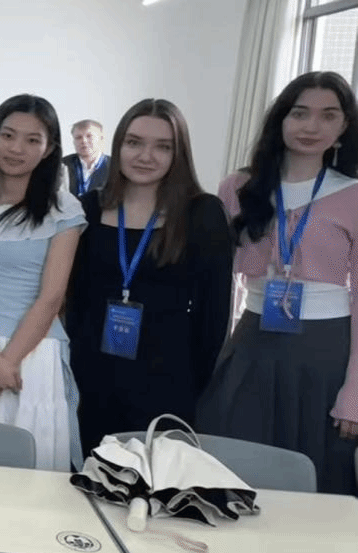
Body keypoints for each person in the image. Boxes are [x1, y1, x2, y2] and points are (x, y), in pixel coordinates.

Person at [198, 72, 358, 495]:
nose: (311, 126)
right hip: (252, 338)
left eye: (328, 116)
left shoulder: (353, 194)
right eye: (300, 113)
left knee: (314, 473)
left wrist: (355, 392)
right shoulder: (238, 188)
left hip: (325, 348)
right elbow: (220, 279)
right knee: (233, 463)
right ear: (281, 119)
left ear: (345, 126)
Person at [67, 100, 233, 455]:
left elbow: (214, 315)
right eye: (134, 143)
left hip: (166, 378)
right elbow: (75, 297)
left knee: (156, 479)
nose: (146, 156)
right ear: (118, 146)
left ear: (179, 153)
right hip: (92, 374)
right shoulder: (89, 208)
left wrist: (193, 383)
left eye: (163, 146)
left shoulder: (202, 213)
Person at [0, 94, 85, 471]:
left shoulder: (63, 209)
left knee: (31, 467)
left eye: (32, 139)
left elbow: (51, 298)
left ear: (49, 149)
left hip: (33, 354)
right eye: (8, 135)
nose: (16, 148)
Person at [63, 119, 109, 196]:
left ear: (101, 139)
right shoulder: (62, 165)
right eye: (78, 137)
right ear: (74, 142)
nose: (84, 141)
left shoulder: (115, 166)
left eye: (89, 136)